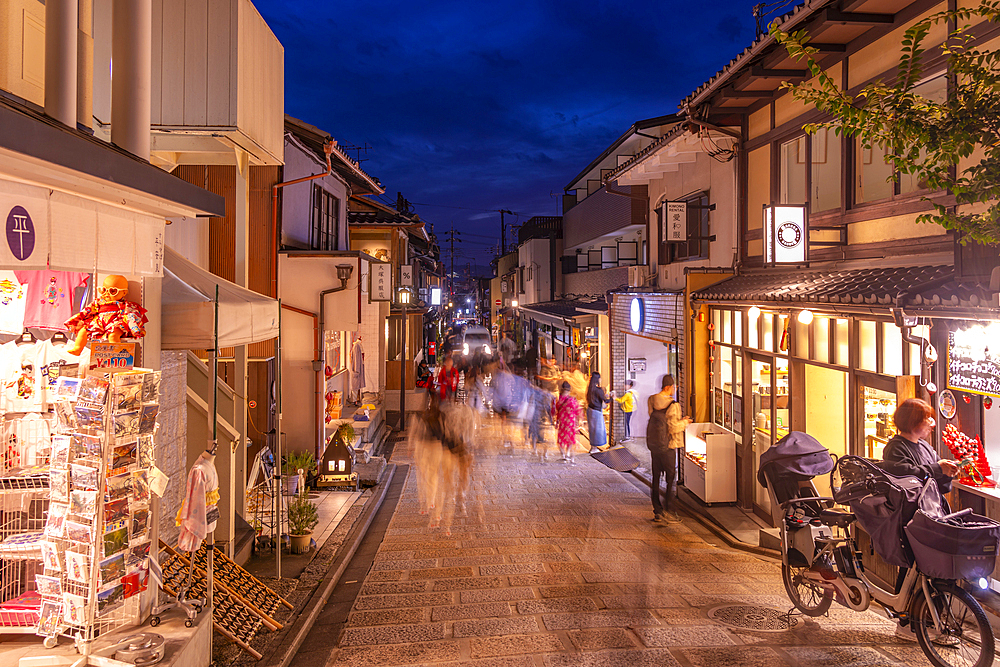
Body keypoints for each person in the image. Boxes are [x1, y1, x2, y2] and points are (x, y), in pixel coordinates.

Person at [883, 397, 959, 642]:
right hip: (911, 517)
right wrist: (938, 469)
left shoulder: (925, 447)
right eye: (927, 418)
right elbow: (902, 474)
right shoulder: (896, 447)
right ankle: (906, 621)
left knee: (933, 567)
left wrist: (948, 472)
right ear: (913, 421)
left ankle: (930, 622)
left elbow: (936, 482)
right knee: (915, 567)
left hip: (933, 514)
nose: (932, 423)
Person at [647, 375, 689, 523]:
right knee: (671, 478)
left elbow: (653, 418)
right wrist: (684, 422)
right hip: (669, 446)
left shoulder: (652, 400)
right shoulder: (673, 405)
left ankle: (657, 511)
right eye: (673, 386)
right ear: (668, 387)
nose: (674, 389)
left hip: (655, 446)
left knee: (656, 477)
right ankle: (668, 510)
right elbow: (672, 428)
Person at [552, 381, 583, 464]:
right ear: (569, 390)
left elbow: (556, 411)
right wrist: (580, 420)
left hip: (562, 422)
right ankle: (568, 453)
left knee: (561, 439)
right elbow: (578, 410)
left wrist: (556, 421)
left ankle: (563, 455)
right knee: (570, 438)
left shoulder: (559, 400)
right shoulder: (572, 399)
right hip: (571, 422)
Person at [585, 372, 612, 452]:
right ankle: (594, 448)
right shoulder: (598, 390)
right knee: (597, 429)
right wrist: (612, 398)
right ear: (597, 379)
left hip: (590, 410)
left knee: (592, 429)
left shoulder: (590, 389)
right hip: (596, 411)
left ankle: (593, 447)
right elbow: (606, 401)